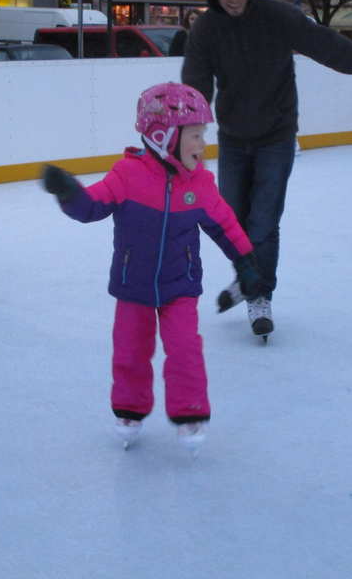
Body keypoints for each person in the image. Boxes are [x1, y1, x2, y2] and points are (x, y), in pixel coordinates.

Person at [181, 0, 352, 337]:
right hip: (234, 138)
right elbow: (196, 87)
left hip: (276, 135)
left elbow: (329, 46)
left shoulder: (277, 17)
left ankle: (258, 296)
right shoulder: (207, 30)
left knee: (264, 222)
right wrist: (186, 136)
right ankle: (247, 278)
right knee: (233, 220)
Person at [40, 82, 261, 452]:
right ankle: (130, 409)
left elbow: (225, 226)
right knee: (129, 350)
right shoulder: (127, 176)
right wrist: (68, 193)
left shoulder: (201, 184)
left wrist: (246, 262)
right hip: (133, 285)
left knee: (185, 348)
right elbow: (91, 207)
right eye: (194, 135)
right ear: (163, 136)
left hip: (180, 284)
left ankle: (190, 412)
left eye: (202, 135)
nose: (201, 144)